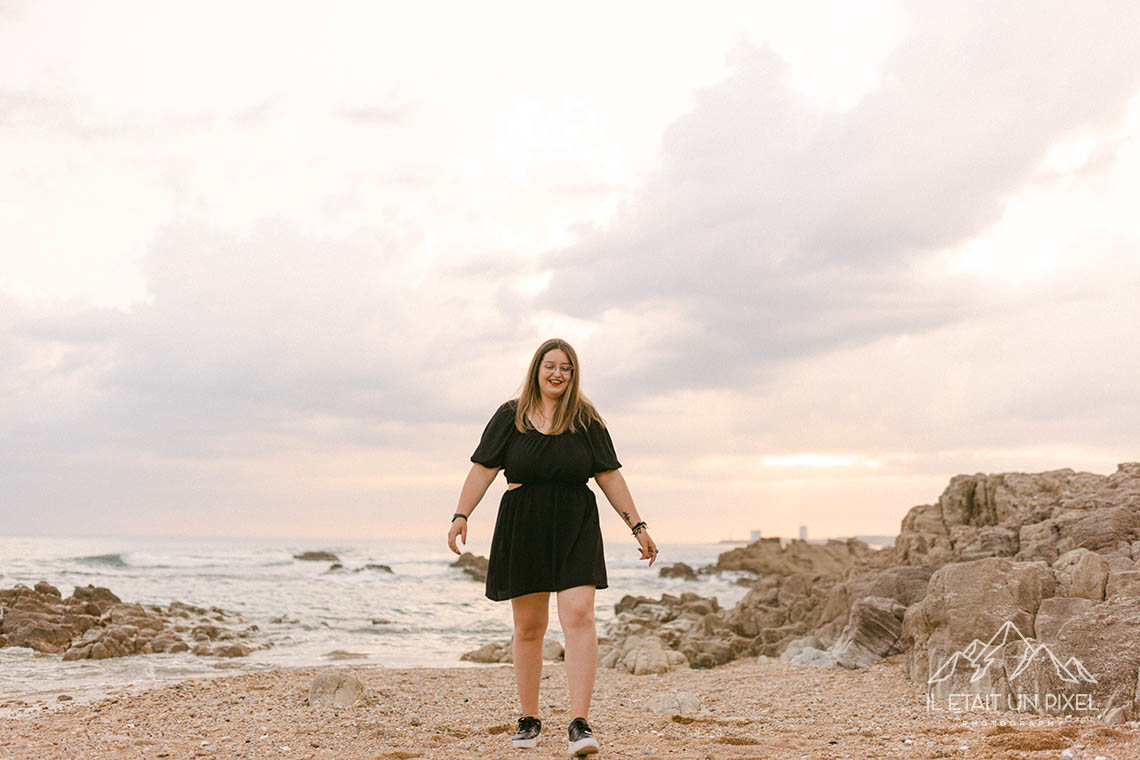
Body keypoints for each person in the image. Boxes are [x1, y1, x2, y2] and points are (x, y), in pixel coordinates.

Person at [447, 338, 658, 757]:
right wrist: (461, 515)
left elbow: (610, 476)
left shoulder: (587, 419)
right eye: (550, 367)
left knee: (579, 615)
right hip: (524, 523)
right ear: (536, 370)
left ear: (573, 374)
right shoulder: (511, 416)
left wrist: (638, 525)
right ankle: (529, 718)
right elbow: (483, 468)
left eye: (566, 368)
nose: (558, 374)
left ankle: (579, 723)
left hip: (576, 521)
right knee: (529, 627)